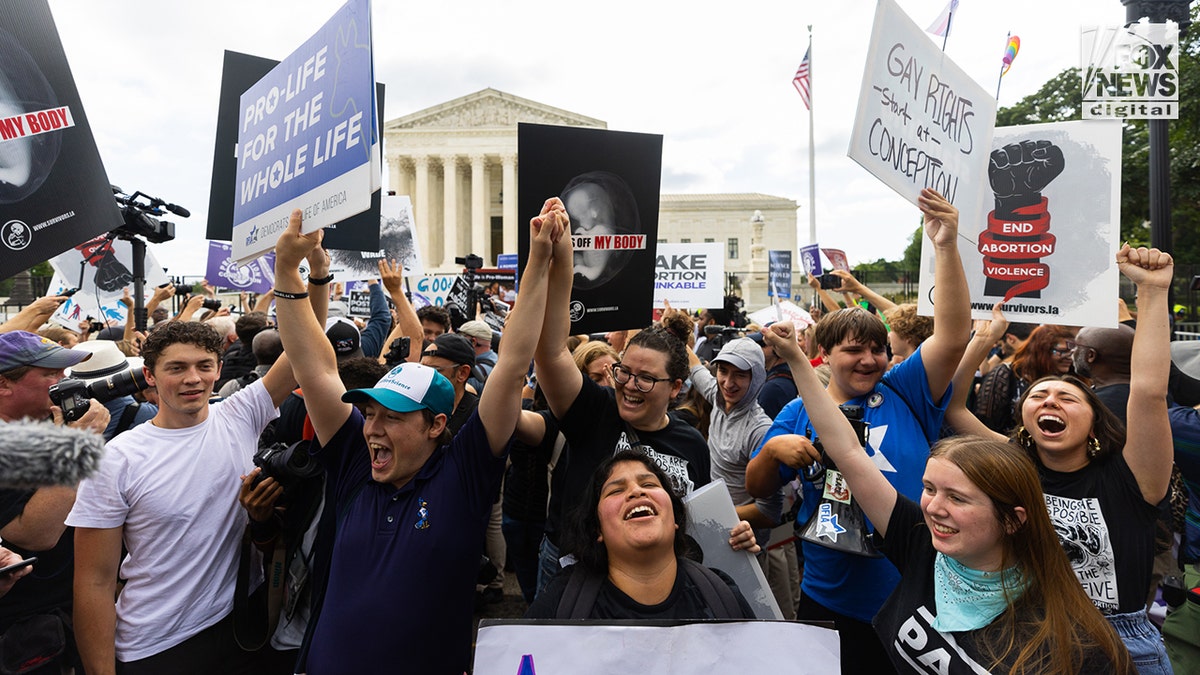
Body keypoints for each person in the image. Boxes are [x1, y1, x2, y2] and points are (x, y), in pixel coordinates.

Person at [271, 199, 563, 674]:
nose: (372, 429)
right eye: (369, 414)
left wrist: (538, 260)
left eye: (393, 417)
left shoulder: (463, 477)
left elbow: (510, 367)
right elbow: (314, 365)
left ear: (436, 425)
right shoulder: (353, 464)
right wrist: (287, 271)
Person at [762, 321, 1132, 674]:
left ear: (1013, 519)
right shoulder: (920, 546)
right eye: (928, 489)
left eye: (958, 498)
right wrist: (795, 357)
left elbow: (1147, 393)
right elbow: (848, 452)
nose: (933, 508)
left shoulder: (1073, 642)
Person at [746, 188, 971, 674]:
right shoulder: (794, 413)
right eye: (854, 350)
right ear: (825, 355)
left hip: (913, 593)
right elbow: (758, 489)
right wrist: (772, 455)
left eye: (878, 349)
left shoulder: (906, 388)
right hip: (826, 598)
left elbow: (952, 334)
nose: (870, 359)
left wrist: (946, 246)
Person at [946, 245, 1175, 673]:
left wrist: (1152, 292)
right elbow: (955, 407)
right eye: (1038, 396)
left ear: (1094, 422)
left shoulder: (1133, 477)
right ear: (1025, 421)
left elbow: (1148, 391)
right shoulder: (1014, 467)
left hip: (1120, 646)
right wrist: (982, 339)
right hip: (1029, 635)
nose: (1050, 399)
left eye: (1067, 396)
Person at [69, 319, 296, 675]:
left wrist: (308, 276)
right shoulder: (116, 459)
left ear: (219, 370)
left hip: (242, 626)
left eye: (204, 366)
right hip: (157, 646)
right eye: (176, 368)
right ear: (150, 375)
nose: (193, 378)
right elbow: (93, 582)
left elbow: (301, 346)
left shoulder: (239, 415)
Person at [533, 215, 712, 592]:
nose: (629, 385)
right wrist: (561, 261)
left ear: (676, 387)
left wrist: (733, 536)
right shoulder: (595, 411)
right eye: (623, 372)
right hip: (575, 577)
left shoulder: (692, 444)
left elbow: (699, 526)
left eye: (645, 378)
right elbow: (549, 353)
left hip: (651, 586)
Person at [526, 451, 758, 620]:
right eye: (616, 490)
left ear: (676, 519)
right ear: (598, 529)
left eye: (649, 483)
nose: (637, 491)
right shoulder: (563, 602)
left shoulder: (721, 594)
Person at [0, 331, 107, 673]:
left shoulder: (52, 423)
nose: (65, 382)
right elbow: (36, 533)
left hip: (77, 605)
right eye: (50, 374)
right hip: (27, 628)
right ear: (4, 384)